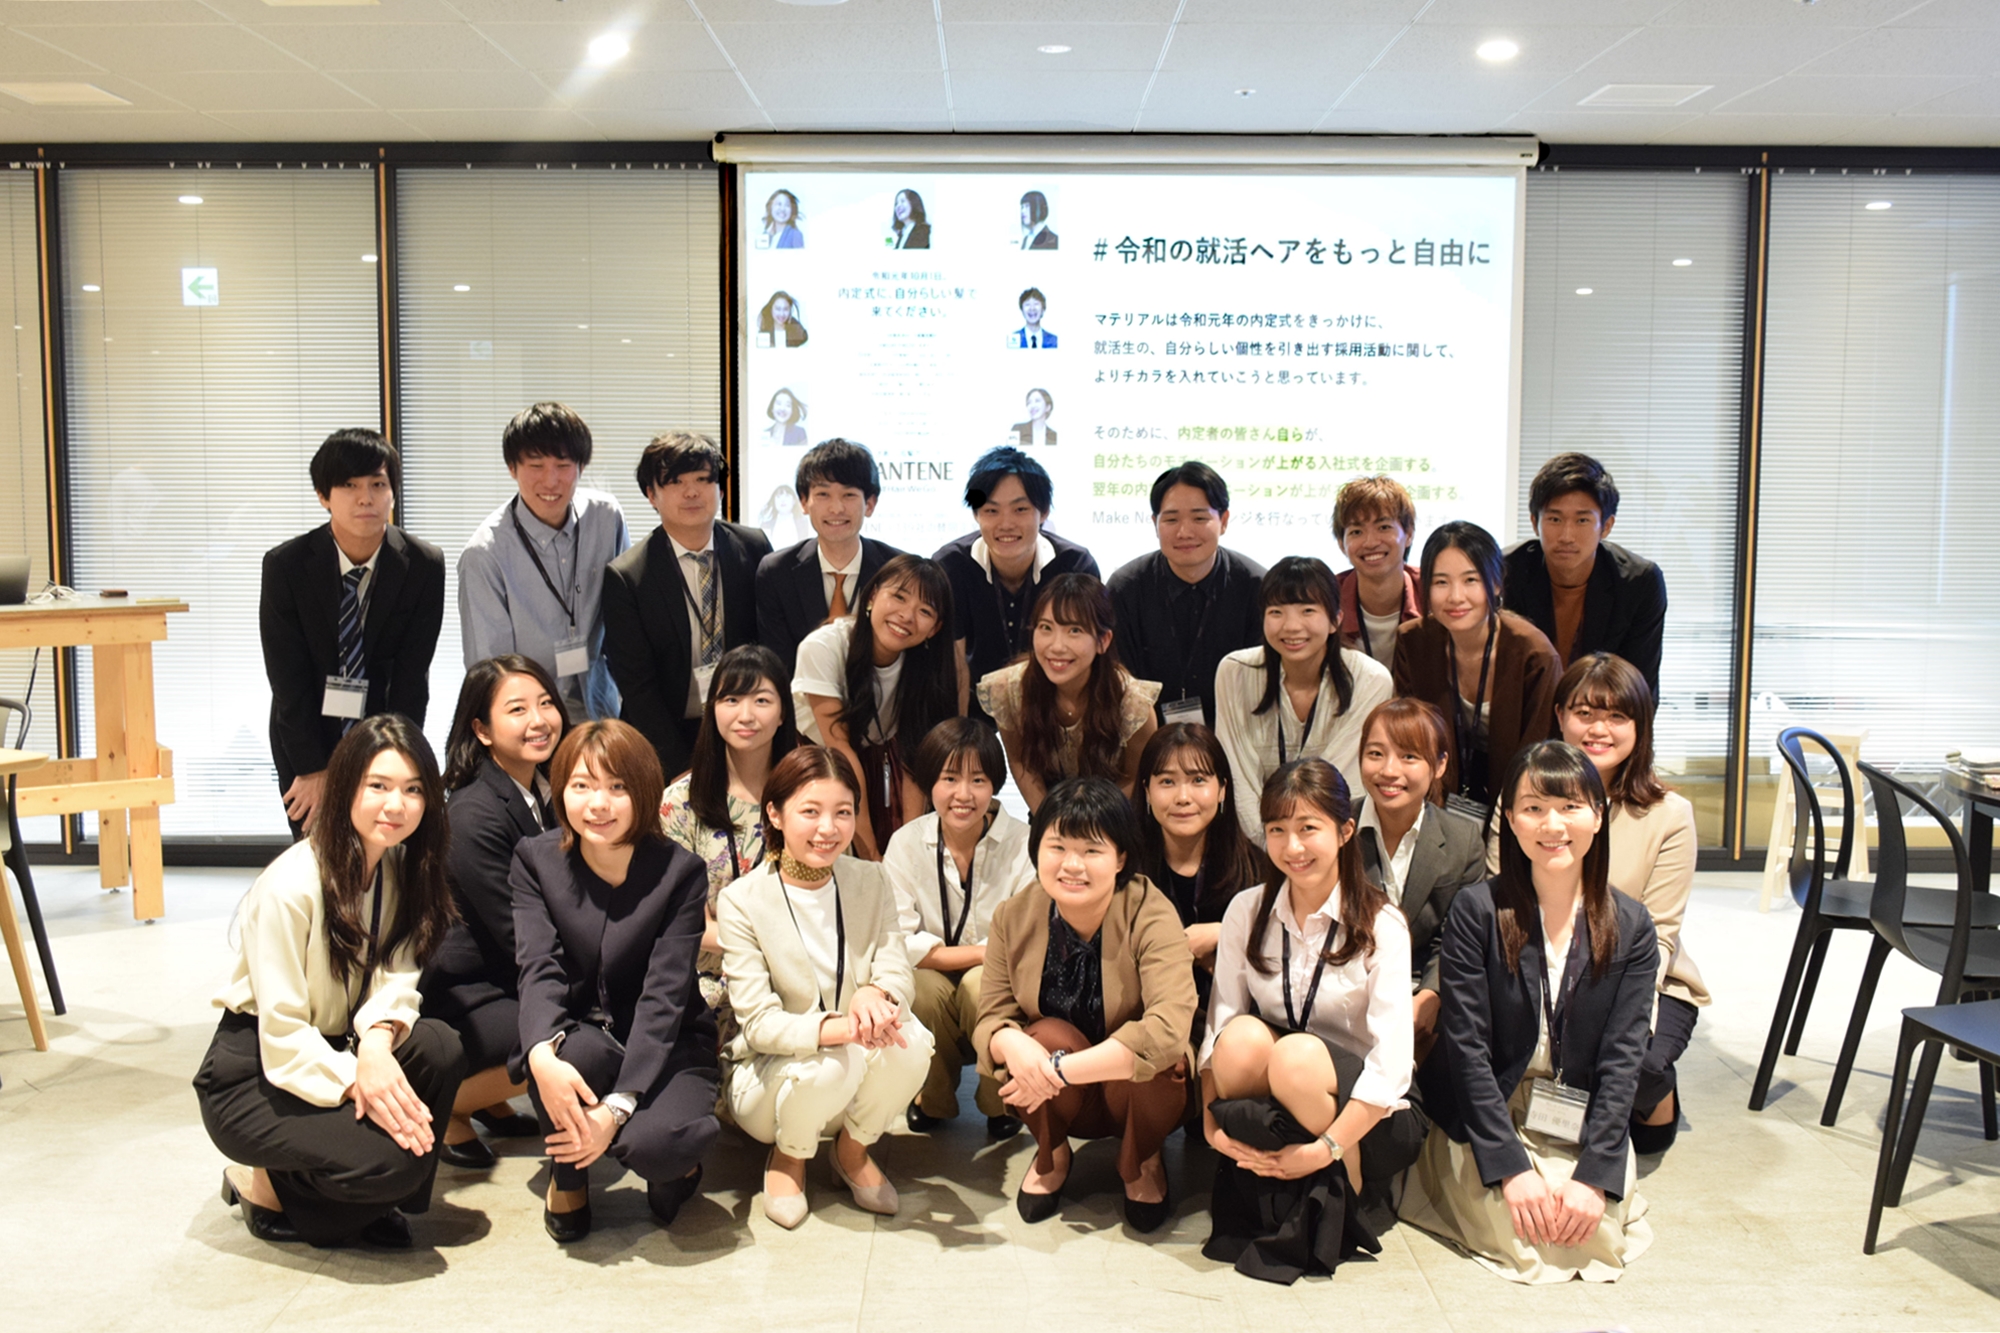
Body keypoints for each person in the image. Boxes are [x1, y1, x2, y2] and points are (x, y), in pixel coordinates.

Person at [196, 715, 463, 1249]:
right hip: (256, 1071)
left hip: (338, 1044)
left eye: (413, 790)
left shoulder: (399, 867)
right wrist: (357, 1078)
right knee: (392, 1162)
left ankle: (363, 1201)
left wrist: (377, 1046)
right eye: (378, 786)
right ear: (344, 788)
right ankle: (265, 1188)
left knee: (440, 1046)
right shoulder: (290, 886)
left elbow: (397, 974)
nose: (397, 805)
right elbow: (282, 1034)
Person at [1399, 741, 1659, 1284]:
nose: (1552, 825)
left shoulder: (1632, 926)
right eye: (1534, 808)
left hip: (1579, 1109)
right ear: (1510, 820)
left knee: (1587, 1232)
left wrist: (1594, 1176)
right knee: (1529, 1238)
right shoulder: (1477, 911)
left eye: (1570, 806)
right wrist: (1510, 1169)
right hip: (1489, 1108)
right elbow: (1467, 1050)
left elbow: (1624, 1058)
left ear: (1598, 815)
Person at [1200, 760, 1426, 1282]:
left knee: (1295, 1056)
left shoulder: (1381, 924)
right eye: (1277, 829)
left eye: (1308, 828)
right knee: (1239, 1040)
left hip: (1373, 1113)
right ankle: (1266, 1179)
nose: (1293, 846)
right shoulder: (1246, 911)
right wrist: (1212, 1129)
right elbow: (1218, 1025)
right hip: (1286, 1089)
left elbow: (1392, 1065)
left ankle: (1346, 1182)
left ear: (1345, 832)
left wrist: (1329, 1148)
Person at [511, 719, 719, 1242]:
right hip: (584, 1034)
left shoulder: (680, 872)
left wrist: (617, 1107)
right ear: (561, 790)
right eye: (581, 785)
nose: (597, 804)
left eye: (617, 787)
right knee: (563, 1059)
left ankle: (670, 1160)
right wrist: (540, 1054)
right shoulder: (536, 861)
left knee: (657, 1146)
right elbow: (538, 967)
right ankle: (568, 1174)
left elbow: (665, 995)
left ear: (644, 792)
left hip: (669, 1041)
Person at [1488, 653, 1703, 1157]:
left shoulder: (1670, 815)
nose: (1598, 729)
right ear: (1560, 716)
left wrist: (1618, 1023)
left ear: (1640, 724)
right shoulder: (1521, 797)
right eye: (1584, 713)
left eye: (1617, 716)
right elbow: (1504, 903)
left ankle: (1656, 1092)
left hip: (1636, 976)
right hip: (1542, 966)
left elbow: (1661, 932)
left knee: (1643, 1103)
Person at [717, 746, 933, 1229]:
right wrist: (843, 1030)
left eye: (843, 812)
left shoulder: (871, 879)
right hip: (770, 1081)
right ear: (775, 815)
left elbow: (896, 969)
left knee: (912, 1044)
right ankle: (788, 1157)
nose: (828, 828)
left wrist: (877, 995)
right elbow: (759, 1024)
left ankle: (852, 1151)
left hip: (851, 1069)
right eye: (810, 812)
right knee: (833, 1063)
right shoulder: (742, 900)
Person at [975, 776, 1197, 1233]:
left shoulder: (1151, 912)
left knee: (1160, 1058)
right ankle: (1052, 1153)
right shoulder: (1012, 916)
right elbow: (992, 1016)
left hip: (1130, 1091)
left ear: (1121, 858)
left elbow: (1168, 1027)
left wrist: (1055, 1071)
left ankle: (1141, 1160)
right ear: (1037, 849)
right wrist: (1010, 1044)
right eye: (1057, 847)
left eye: (1092, 850)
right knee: (1039, 1037)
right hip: (1059, 1097)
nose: (1072, 865)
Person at [422, 655, 570, 1171]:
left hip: (504, 972)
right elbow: (516, 932)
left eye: (546, 703)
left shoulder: (540, 788)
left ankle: (487, 1098)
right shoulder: (473, 812)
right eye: (517, 710)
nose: (539, 720)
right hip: (466, 990)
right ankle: (447, 1107)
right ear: (481, 730)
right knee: (575, 1029)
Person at [260, 428, 445, 839]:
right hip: (306, 738)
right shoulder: (286, 567)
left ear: (393, 492)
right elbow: (287, 680)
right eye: (349, 486)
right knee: (321, 855)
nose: (366, 498)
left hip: (385, 730)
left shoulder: (423, 565)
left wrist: (395, 760)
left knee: (387, 851)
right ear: (323, 495)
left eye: (378, 485)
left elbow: (413, 675)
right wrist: (313, 769)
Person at [883, 718, 1034, 1138]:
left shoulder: (1024, 843)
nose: (963, 795)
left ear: (995, 785)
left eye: (978, 780)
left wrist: (979, 959)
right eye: (949, 778)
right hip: (933, 978)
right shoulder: (906, 843)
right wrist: (985, 951)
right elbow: (900, 943)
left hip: (995, 980)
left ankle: (1000, 1100)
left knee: (980, 981)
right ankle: (932, 1098)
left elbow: (1023, 940)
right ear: (930, 782)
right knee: (919, 986)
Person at [601, 431, 773, 782]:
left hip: (746, 726)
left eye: (703, 479)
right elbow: (638, 687)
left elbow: (768, 648)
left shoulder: (753, 547)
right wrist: (682, 768)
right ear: (651, 494)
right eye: (676, 482)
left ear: (720, 490)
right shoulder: (627, 576)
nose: (692, 492)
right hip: (664, 736)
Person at [660, 643, 800, 1045]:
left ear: (783, 712)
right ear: (712, 710)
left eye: (761, 700)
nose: (745, 715)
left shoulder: (807, 797)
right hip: (703, 985)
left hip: (792, 978)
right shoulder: (679, 803)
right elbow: (679, 920)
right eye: (731, 699)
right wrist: (760, 944)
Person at [458, 402, 629, 722]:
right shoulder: (484, 554)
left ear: (581, 467)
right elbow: (491, 671)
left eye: (563, 465)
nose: (551, 481)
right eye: (535, 466)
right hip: (530, 723)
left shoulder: (606, 518)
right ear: (512, 468)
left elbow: (625, 616)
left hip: (600, 711)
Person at [1215, 556, 1393, 845]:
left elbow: (1342, 781)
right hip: (1252, 845)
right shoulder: (1235, 672)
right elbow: (1239, 775)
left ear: (1336, 620)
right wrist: (1273, 842)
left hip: (1332, 842)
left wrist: (1295, 844)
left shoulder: (1370, 679)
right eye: (1276, 612)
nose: (1291, 626)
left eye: (1308, 610)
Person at [792, 554, 960, 860]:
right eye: (899, 597)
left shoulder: (926, 665)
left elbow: (912, 756)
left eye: (924, 611)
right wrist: (870, 853)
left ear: (934, 629)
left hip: (884, 759)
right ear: (872, 595)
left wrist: (907, 848)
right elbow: (839, 748)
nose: (906, 616)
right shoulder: (823, 647)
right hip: (822, 760)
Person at [1393, 521, 1561, 817]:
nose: (1456, 597)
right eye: (1441, 582)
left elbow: (1541, 752)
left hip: (1522, 797)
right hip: (1436, 797)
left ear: (1495, 583)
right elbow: (1410, 735)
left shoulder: (1534, 654)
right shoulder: (1413, 642)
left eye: (1471, 580)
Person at [1354, 698, 1487, 1064]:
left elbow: (1458, 939)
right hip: (1346, 994)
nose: (1389, 770)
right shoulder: (1336, 828)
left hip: (1423, 999)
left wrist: (1430, 997)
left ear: (1440, 764)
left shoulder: (1463, 840)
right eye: (1376, 754)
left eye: (1409, 756)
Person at [935, 446, 1100, 711]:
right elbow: (955, 664)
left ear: (1043, 512)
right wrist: (962, 731)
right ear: (976, 514)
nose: (1006, 524)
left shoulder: (1074, 565)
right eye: (991, 511)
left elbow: (1084, 654)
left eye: (1020, 509)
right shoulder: (951, 566)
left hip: (1053, 708)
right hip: (977, 709)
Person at [978, 573, 1160, 811]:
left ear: (1103, 640)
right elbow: (1021, 762)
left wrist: (1090, 823)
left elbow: (1133, 778)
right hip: (1047, 810)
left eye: (1074, 630)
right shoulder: (1008, 690)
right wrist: (1049, 819)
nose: (1056, 646)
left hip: (1111, 815)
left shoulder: (1133, 704)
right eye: (1046, 627)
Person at [1108, 461, 1267, 729]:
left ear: (1223, 521)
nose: (1184, 532)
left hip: (1235, 736)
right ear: (1155, 523)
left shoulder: (1256, 587)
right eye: (1171, 519)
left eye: (1199, 518)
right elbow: (1119, 682)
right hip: (1146, 736)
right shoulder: (1126, 589)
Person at [1503, 453, 1668, 702]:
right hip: (1525, 715)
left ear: (1606, 526)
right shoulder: (1505, 573)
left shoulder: (1639, 583)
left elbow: (1639, 689)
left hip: (1601, 716)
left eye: (1582, 520)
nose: (1566, 536)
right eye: (1555, 519)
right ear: (1535, 523)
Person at [1133, 723, 1268, 1008]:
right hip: (1146, 1014)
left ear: (1222, 790)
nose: (1183, 797)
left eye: (1198, 780)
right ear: (1146, 791)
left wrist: (1223, 933)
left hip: (1238, 1019)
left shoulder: (1258, 869)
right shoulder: (1124, 870)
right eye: (1167, 782)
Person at [755, 438, 904, 675]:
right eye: (823, 494)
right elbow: (778, 665)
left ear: (870, 504)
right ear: (804, 502)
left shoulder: (898, 570)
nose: (836, 509)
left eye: (848, 495)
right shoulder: (776, 572)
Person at [1333, 475, 1424, 670]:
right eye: (1356, 532)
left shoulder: (1433, 592)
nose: (1371, 542)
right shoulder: (1327, 598)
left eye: (1384, 527)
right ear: (1341, 544)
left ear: (1409, 534)